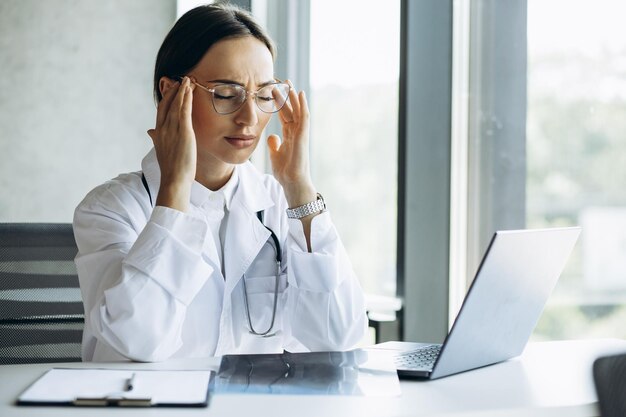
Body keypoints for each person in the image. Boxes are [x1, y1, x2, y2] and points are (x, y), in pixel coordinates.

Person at [73, 3, 367, 362]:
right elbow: (136, 343)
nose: (249, 118)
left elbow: (339, 338)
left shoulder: (277, 203)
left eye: (262, 96)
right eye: (226, 94)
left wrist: (299, 186)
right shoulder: (112, 208)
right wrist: (174, 192)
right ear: (170, 92)